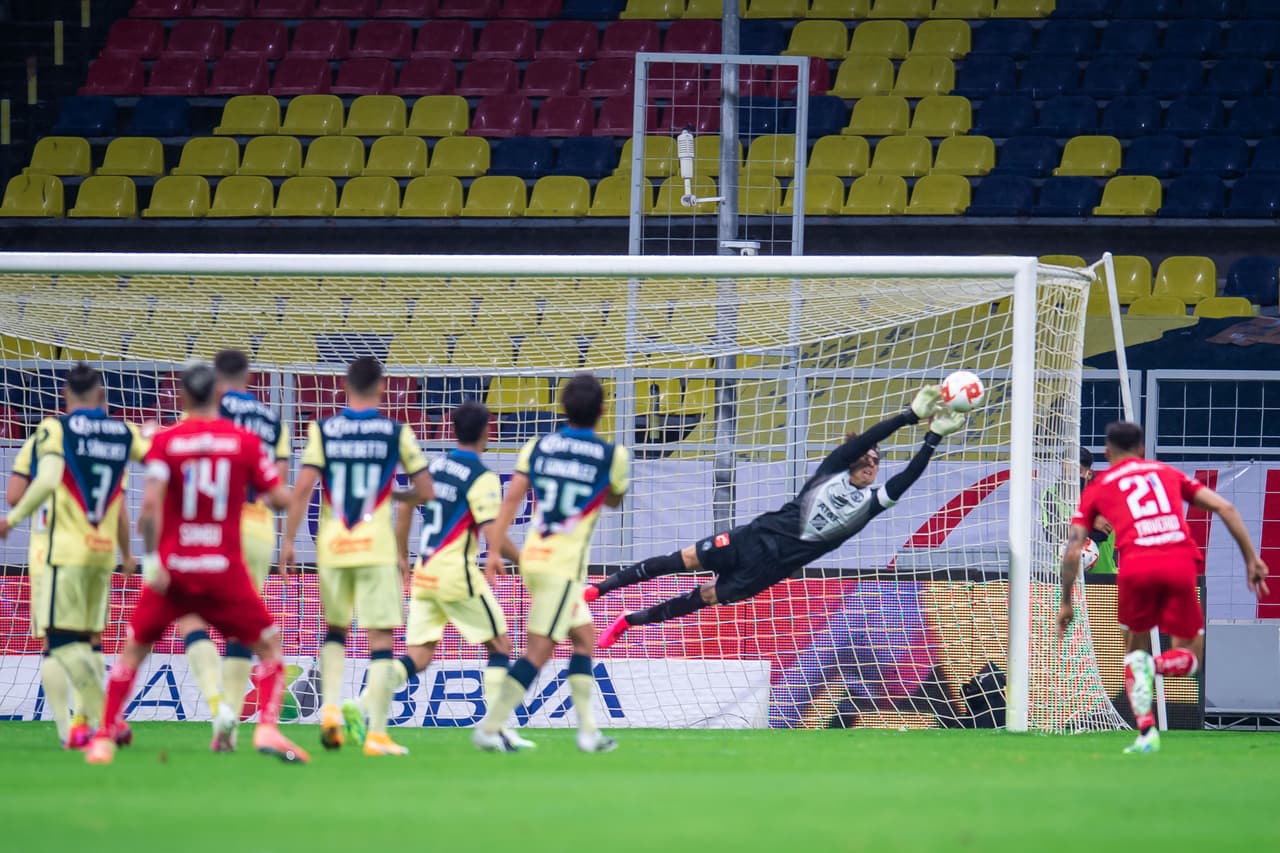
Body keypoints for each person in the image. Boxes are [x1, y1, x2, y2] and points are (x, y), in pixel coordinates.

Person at [590, 385, 966, 648]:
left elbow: (908, 478)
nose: (873, 464)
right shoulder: (829, 474)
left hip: (768, 571)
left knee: (703, 596)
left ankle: (628, 621)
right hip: (750, 538)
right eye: (868, 457)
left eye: (877, 461)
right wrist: (909, 417)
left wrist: (931, 438)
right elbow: (863, 439)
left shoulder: (872, 503)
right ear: (854, 457)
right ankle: (599, 589)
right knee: (682, 560)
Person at [83, 362, 308, 765]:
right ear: (218, 397)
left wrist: (152, 560)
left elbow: (149, 508)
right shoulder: (245, 442)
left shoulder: (165, 442)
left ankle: (102, 738)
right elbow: (277, 496)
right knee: (269, 646)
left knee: (133, 650)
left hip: (175, 568)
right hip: (223, 567)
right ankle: (267, 729)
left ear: (183, 398)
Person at [1058, 421, 1270, 754]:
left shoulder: (1099, 488)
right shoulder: (1166, 473)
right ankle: (1154, 669)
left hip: (1135, 567)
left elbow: (1072, 550)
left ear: (1107, 452)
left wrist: (1066, 601)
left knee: (1133, 652)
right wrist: (1251, 559)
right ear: (1142, 450)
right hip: (1178, 561)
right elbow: (1225, 507)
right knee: (1190, 659)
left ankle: (1146, 731)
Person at [281, 356, 433, 757]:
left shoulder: (324, 429)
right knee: (380, 638)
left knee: (335, 630)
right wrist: (390, 495)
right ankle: (377, 735)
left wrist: (288, 541)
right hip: (376, 546)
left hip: (333, 545)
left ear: (345, 387)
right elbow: (425, 490)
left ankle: (329, 710)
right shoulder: (395, 431)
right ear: (381, 387)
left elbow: (304, 488)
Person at [473, 374, 630, 753]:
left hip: (534, 556)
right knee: (539, 650)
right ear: (603, 411)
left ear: (563, 409)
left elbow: (511, 499)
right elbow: (613, 499)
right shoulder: (613, 456)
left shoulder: (538, 447)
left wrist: (494, 550)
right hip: (561, 565)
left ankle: (588, 732)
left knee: (584, 638)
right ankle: (490, 727)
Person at [0, 364, 148, 749]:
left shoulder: (50, 431)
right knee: (92, 640)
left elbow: (17, 494)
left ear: (64, 396)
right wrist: (127, 552)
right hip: (102, 552)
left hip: (56, 548)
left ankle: (80, 726)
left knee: (56, 641)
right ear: (102, 396)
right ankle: (87, 721)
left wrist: (14, 518)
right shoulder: (121, 433)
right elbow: (122, 499)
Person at [390, 400, 532, 749]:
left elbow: (404, 505)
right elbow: (491, 530)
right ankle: (493, 729)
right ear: (488, 431)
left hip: (424, 572)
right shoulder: (481, 476)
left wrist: (401, 554)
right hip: (455, 572)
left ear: (452, 431)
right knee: (500, 645)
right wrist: (526, 562)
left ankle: (363, 703)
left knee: (419, 656)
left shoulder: (433, 468)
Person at [180, 349, 293, 750]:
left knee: (189, 615)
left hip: (211, 525)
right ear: (250, 376)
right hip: (258, 526)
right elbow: (276, 485)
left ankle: (218, 709)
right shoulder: (270, 420)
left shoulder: (204, 411)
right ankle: (230, 718)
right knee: (241, 627)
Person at [1042, 446, 1115, 575]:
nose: (1070, 477)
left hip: (1101, 577)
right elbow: (1052, 534)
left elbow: (1101, 534)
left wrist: (1068, 525)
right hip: (1063, 576)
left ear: (1089, 473)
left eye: (1077, 472)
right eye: (1065, 472)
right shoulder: (1051, 494)